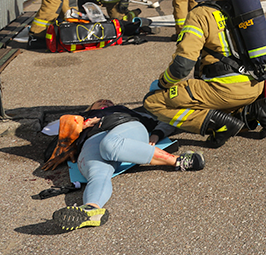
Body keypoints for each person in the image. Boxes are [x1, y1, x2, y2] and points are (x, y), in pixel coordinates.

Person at [143, 0, 266, 148]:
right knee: (214, 97)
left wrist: (164, 82)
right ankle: (255, 110)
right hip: (256, 86)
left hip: (226, 90)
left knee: (152, 102)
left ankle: (219, 125)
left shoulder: (200, 14)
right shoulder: (239, 6)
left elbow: (182, 65)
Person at [43, 99, 204, 231]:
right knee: (96, 173)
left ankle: (178, 160)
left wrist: (156, 134)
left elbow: (166, 120)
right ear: (90, 107)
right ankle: (91, 209)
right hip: (92, 141)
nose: (104, 101)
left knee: (109, 146)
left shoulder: (123, 111)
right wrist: (73, 131)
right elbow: (50, 136)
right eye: (99, 102)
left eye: (108, 101)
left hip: (124, 126)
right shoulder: (80, 117)